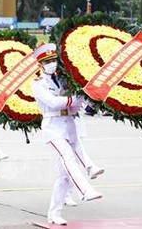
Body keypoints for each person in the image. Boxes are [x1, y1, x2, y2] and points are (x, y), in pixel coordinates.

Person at [31, 43, 102, 226]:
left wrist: (85, 101)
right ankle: (85, 190)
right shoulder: (38, 84)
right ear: (40, 64)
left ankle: (54, 214)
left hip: (69, 123)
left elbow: (75, 105)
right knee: (68, 157)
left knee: (62, 176)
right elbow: (53, 103)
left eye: (53, 60)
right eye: (47, 61)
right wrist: (73, 99)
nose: (52, 63)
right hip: (53, 126)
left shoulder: (63, 80)